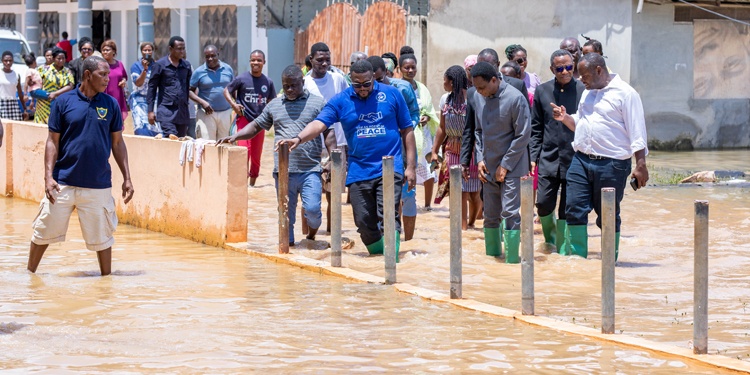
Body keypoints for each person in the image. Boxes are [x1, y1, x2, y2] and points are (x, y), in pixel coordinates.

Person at [278, 60, 416, 261]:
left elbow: (407, 130)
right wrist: (298, 138)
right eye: (357, 84)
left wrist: (410, 166)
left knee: (388, 215)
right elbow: (319, 123)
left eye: (366, 84)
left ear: (373, 79)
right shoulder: (341, 100)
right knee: (363, 222)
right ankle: (378, 258)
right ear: (351, 80)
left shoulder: (392, 94)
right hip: (359, 168)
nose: (362, 89)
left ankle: (390, 264)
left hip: (389, 166)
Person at [27, 55, 134, 276]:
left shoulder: (110, 104)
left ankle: (106, 285)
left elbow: (118, 142)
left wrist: (127, 177)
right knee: (42, 231)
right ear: (87, 75)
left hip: (98, 183)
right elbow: (52, 142)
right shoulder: (63, 103)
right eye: (102, 75)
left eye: (108, 74)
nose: (107, 79)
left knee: (103, 237)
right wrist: (48, 177)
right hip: (62, 182)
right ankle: (29, 277)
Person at [551, 53, 649, 260]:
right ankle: (578, 262)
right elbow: (583, 122)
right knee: (573, 208)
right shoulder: (588, 92)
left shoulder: (626, 94)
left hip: (612, 164)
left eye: (584, 75)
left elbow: (637, 133)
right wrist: (566, 118)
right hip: (581, 160)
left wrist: (641, 164)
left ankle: (609, 264)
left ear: (598, 70)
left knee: (608, 214)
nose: (580, 79)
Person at [218, 65, 327, 245]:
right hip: (283, 171)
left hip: (310, 169)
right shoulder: (275, 105)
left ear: (303, 82)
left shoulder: (317, 103)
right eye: (286, 86)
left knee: (313, 210)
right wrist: (235, 135)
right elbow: (256, 126)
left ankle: (311, 236)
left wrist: (333, 160)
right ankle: (288, 250)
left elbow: (327, 132)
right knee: (285, 214)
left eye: (294, 85)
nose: (290, 90)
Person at [462, 62, 531, 263]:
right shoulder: (476, 95)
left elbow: (523, 135)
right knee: (490, 214)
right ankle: (492, 261)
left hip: (514, 164)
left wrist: (506, 165)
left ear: (494, 80)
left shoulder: (515, 98)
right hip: (488, 165)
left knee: (510, 212)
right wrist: (480, 159)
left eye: (483, 87)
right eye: (477, 88)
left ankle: (511, 261)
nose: (480, 92)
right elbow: (478, 131)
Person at [529, 50, 585, 251]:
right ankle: (550, 239)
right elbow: (536, 127)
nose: (564, 72)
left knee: (567, 208)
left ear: (574, 66)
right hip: (548, 157)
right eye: (559, 68)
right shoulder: (542, 91)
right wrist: (533, 156)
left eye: (569, 67)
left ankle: (562, 248)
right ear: (552, 69)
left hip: (575, 159)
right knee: (543, 203)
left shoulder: (583, 90)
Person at [367, 55, 420, 241]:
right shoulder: (365, 90)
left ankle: (408, 242)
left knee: (407, 192)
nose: (375, 84)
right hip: (379, 148)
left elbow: (415, 115)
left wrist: (402, 127)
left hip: (404, 145)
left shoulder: (403, 88)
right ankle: (389, 238)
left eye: (380, 79)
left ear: (387, 73)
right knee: (385, 194)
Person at [430, 65, 481, 230]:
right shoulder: (446, 100)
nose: (443, 84)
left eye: (445, 80)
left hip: (471, 149)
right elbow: (442, 128)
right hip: (452, 148)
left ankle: (472, 223)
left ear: (452, 82)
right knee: (459, 191)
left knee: (474, 193)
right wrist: (434, 151)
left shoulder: (472, 99)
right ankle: (462, 230)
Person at [224, 49, 276, 186]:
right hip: (244, 120)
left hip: (260, 123)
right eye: (253, 60)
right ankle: (242, 185)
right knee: (243, 152)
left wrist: (270, 117)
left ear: (264, 62)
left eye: (259, 60)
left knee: (256, 156)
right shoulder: (241, 79)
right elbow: (226, 91)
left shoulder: (268, 82)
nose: (256, 62)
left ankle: (252, 185)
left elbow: (272, 101)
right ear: (250, 62)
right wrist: (234, 105)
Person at [399, 53, 439, 210]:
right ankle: (406, 203)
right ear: (400, 69)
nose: (410, 70)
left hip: (424, 134)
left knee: (429, 170)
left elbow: (430, 110)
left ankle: (428, 206)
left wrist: (426, 118)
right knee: (407, 168)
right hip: (407, 134)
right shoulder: (398, 87)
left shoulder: (422, 88)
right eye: (406, 68)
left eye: (413, 67)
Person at [147, 36, 192, 137]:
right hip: (166, 111)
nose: (182, 51)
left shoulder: (186, 66)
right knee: (171, 137)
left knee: (181, 144)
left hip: (182, 112)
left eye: (183, 48)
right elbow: (152, 88)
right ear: (171, 49)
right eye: (179, 48)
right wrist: (150, 111)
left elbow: (187, 87)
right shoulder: (160, 65)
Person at [190, 45, 234, 140]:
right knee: (207, 144)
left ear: (218, 54)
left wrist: (236, 104)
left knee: (225, 145)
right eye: (207, 56)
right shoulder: (199, 72)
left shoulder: (228, 69)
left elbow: (233, 89)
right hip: (206, 114)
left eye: (213, 55)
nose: (210, 59)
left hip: (225, 113)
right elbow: (190, 91)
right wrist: (202, 102)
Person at [34, 48, 74, 124]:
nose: (61, 60)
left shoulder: (67, 71)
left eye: (63, 58)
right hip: (43, 104)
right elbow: (35, 84)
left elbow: (70, 86)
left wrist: (55, 94)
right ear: (54, 58)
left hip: (59, 103)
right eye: (59, 58)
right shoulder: (43, 69)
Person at [129, 42, 161, 136]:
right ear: (141, 52)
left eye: (149, 50)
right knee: (141, 127)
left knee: (155, 128)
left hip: (153, 100)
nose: (147, 52)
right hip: (139, 101)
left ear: (152, 51)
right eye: (145, 50)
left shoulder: (157, 65)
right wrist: (145, 69)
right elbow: (138, 83)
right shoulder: (136, 66)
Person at [100, 40, 129, 123]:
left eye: (107, 50)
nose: (105, 52)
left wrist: (123, 81)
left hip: (117, 96)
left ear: (114, 51)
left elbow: (124, 76)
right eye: (103, 50)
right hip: (104, 95)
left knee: (117, 122)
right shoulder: (99, 64)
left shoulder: (119, 64)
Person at [0, 51, 26, 120]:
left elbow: (20, 93)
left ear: (13, 61)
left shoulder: (16, 75)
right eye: (6, 60)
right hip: (1, 104)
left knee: (15, 128)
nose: (8, 63)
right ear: (2, 61)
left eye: (10, 60)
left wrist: (24, 108)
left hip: (13, 104)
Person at [23, 53, 42, 119]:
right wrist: (25, 94)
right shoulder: (30, 71)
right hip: (35, 91)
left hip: (38, 90)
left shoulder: (35, 70)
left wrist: (32, 101)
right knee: (49, 96)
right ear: (34, 62)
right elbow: (26, 83)